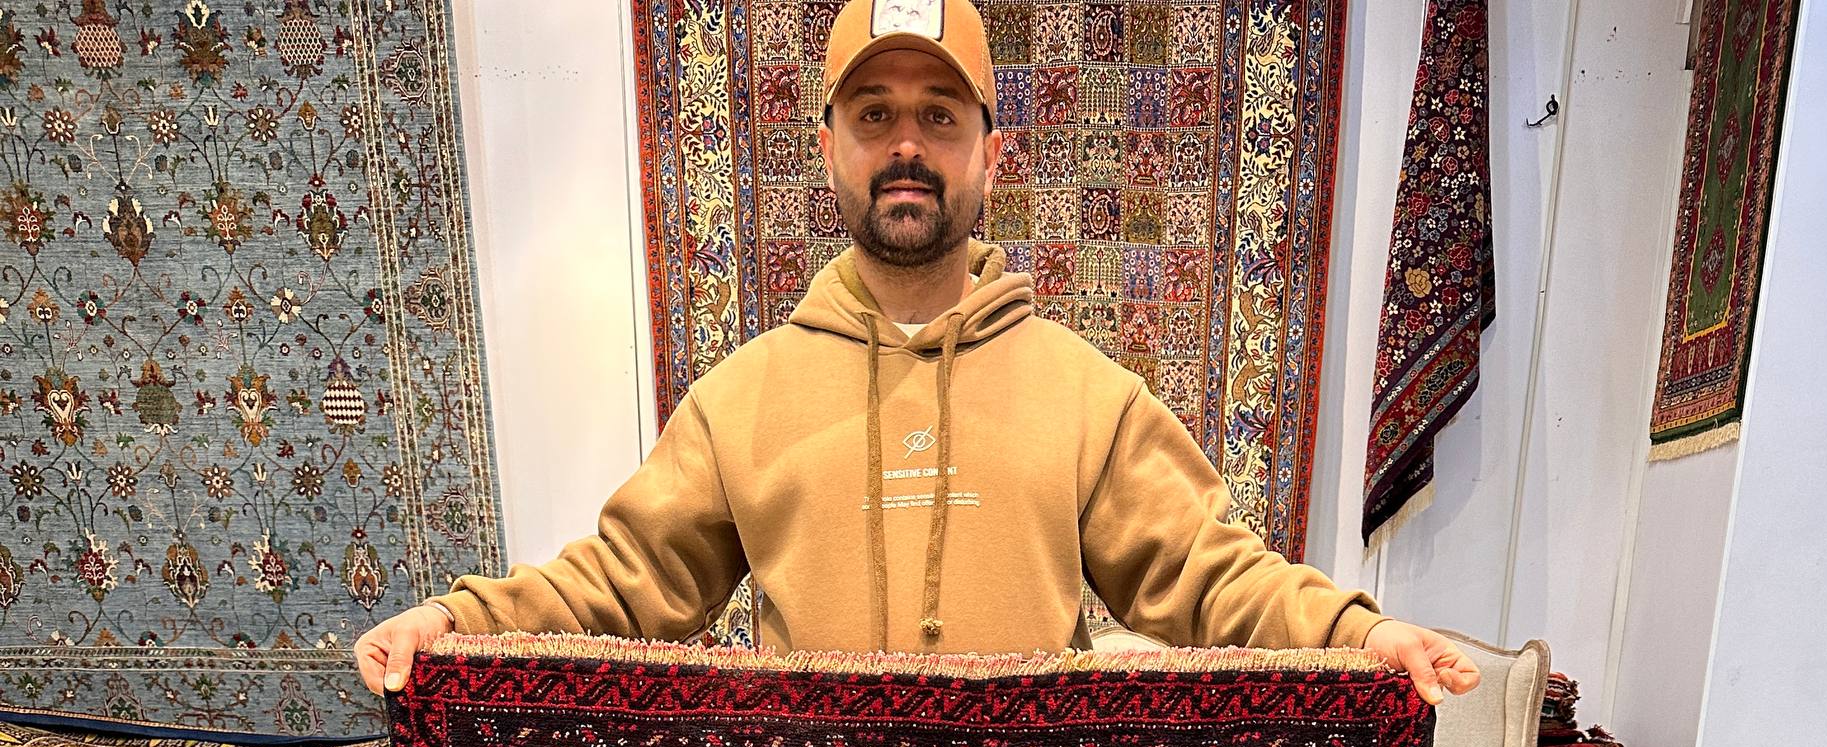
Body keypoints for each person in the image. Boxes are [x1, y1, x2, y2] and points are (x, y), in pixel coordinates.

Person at [354, 0, 1477, 709]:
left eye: (940, 116)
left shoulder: (1089, 396)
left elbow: (1215, 574)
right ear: (828, 149)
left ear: (993, 154)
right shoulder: (740, 401)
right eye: (873, 114)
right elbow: (620, 582)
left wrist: (1363, 634)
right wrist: (458, 625)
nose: (906, 144)